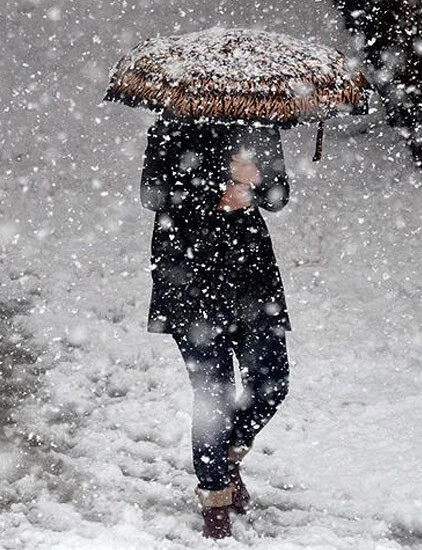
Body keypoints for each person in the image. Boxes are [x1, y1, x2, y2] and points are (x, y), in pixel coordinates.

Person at [140, 115, 292, 539]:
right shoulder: (170, 126)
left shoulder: (259, 126)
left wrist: (256, 182)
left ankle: (225, 459)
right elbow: (152, 195)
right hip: (188, 276)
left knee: (272, 381)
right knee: (214, 395)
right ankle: (215, 503)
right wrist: (218, 187)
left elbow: (278, 197)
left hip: (251, 277)